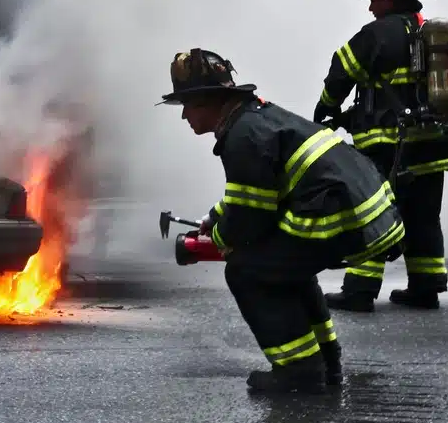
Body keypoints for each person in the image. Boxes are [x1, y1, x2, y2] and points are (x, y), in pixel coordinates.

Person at [167, 48, 404, 394]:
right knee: (285, 264)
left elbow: (250, 220)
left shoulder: (241, 136)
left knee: (246, 270)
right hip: (368, 213)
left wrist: (219, 237)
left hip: (344, 219)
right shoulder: (256, 118)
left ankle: (298, 371)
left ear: (210, 100)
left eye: (188, 104)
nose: (184, 114)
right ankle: (326, 361)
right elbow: (259, 190)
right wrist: (217, 215)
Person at [315, 0, 448, 312]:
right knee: (423, 216)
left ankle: (360, 290)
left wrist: (326, 108)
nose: (370, 6)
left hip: (389, 145)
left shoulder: (374, 35)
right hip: (435, 143)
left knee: (373, 212)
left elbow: (340, 73)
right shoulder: (430, 33)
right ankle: (426, 287)